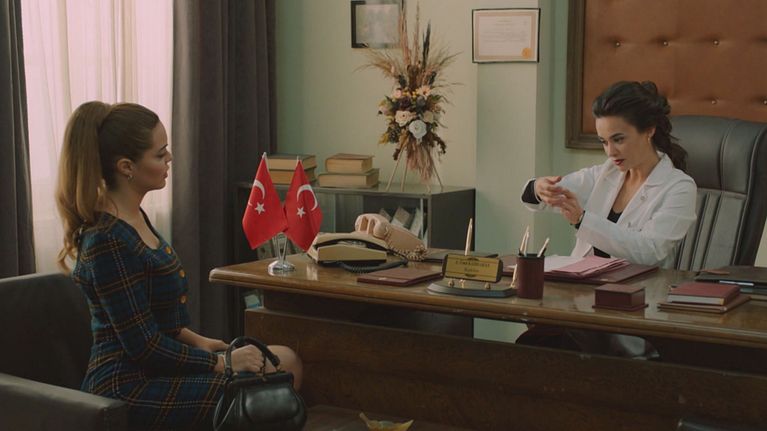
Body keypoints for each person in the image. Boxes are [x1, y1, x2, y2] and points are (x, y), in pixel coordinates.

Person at [56, 101, 302, 430]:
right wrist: (221, 363)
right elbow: (144, 347)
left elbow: (154, 317)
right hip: (128, 385)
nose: (169, 158)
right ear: (127, 167)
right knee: (264, 397)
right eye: (160, 154)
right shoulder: (107, 240)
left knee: (286, 359)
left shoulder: (134, 217)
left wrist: (199, 341)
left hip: (159, 368)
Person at [519, 81, 697, 357]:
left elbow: (649, 251)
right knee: (533, 343)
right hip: (582, 303)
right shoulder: (606, 173)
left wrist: (582, 220)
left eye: (618, 139)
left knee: (544, 348)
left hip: (632, 311)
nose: (610, 152)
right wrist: (540, 188)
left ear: (649, 130)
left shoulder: (679, 187)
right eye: (604, 141)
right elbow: (548, 193)